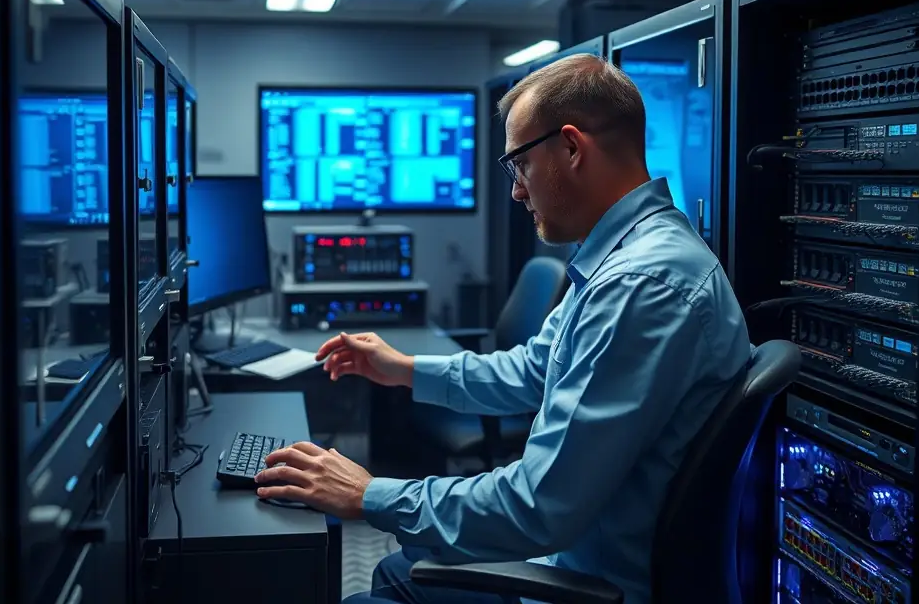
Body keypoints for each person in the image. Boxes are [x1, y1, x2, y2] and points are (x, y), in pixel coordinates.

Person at [254, 54, 752, 604]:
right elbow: (537, 367)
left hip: (585, 582)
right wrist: (408, 370)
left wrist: (369, 494)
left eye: (519, 166)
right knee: (400, 569)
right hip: (572, 556)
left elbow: (538, 507)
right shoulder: (627, 258)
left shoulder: (640, 285)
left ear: (570, 148)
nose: (517, 191)